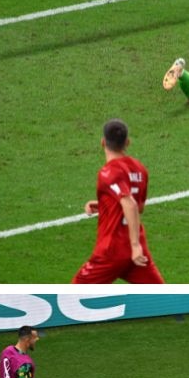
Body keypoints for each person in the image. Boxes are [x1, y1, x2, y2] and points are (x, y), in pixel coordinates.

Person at [72, 118, 163, 284]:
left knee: (71, 297)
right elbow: (139, 207)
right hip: (136, 254)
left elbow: (130, 204)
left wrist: (135, 245)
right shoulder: (139, 168)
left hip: (111, 252)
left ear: (102, 142)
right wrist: (105, 206)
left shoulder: (108, 172)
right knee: (165, 298)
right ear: (127, 142)